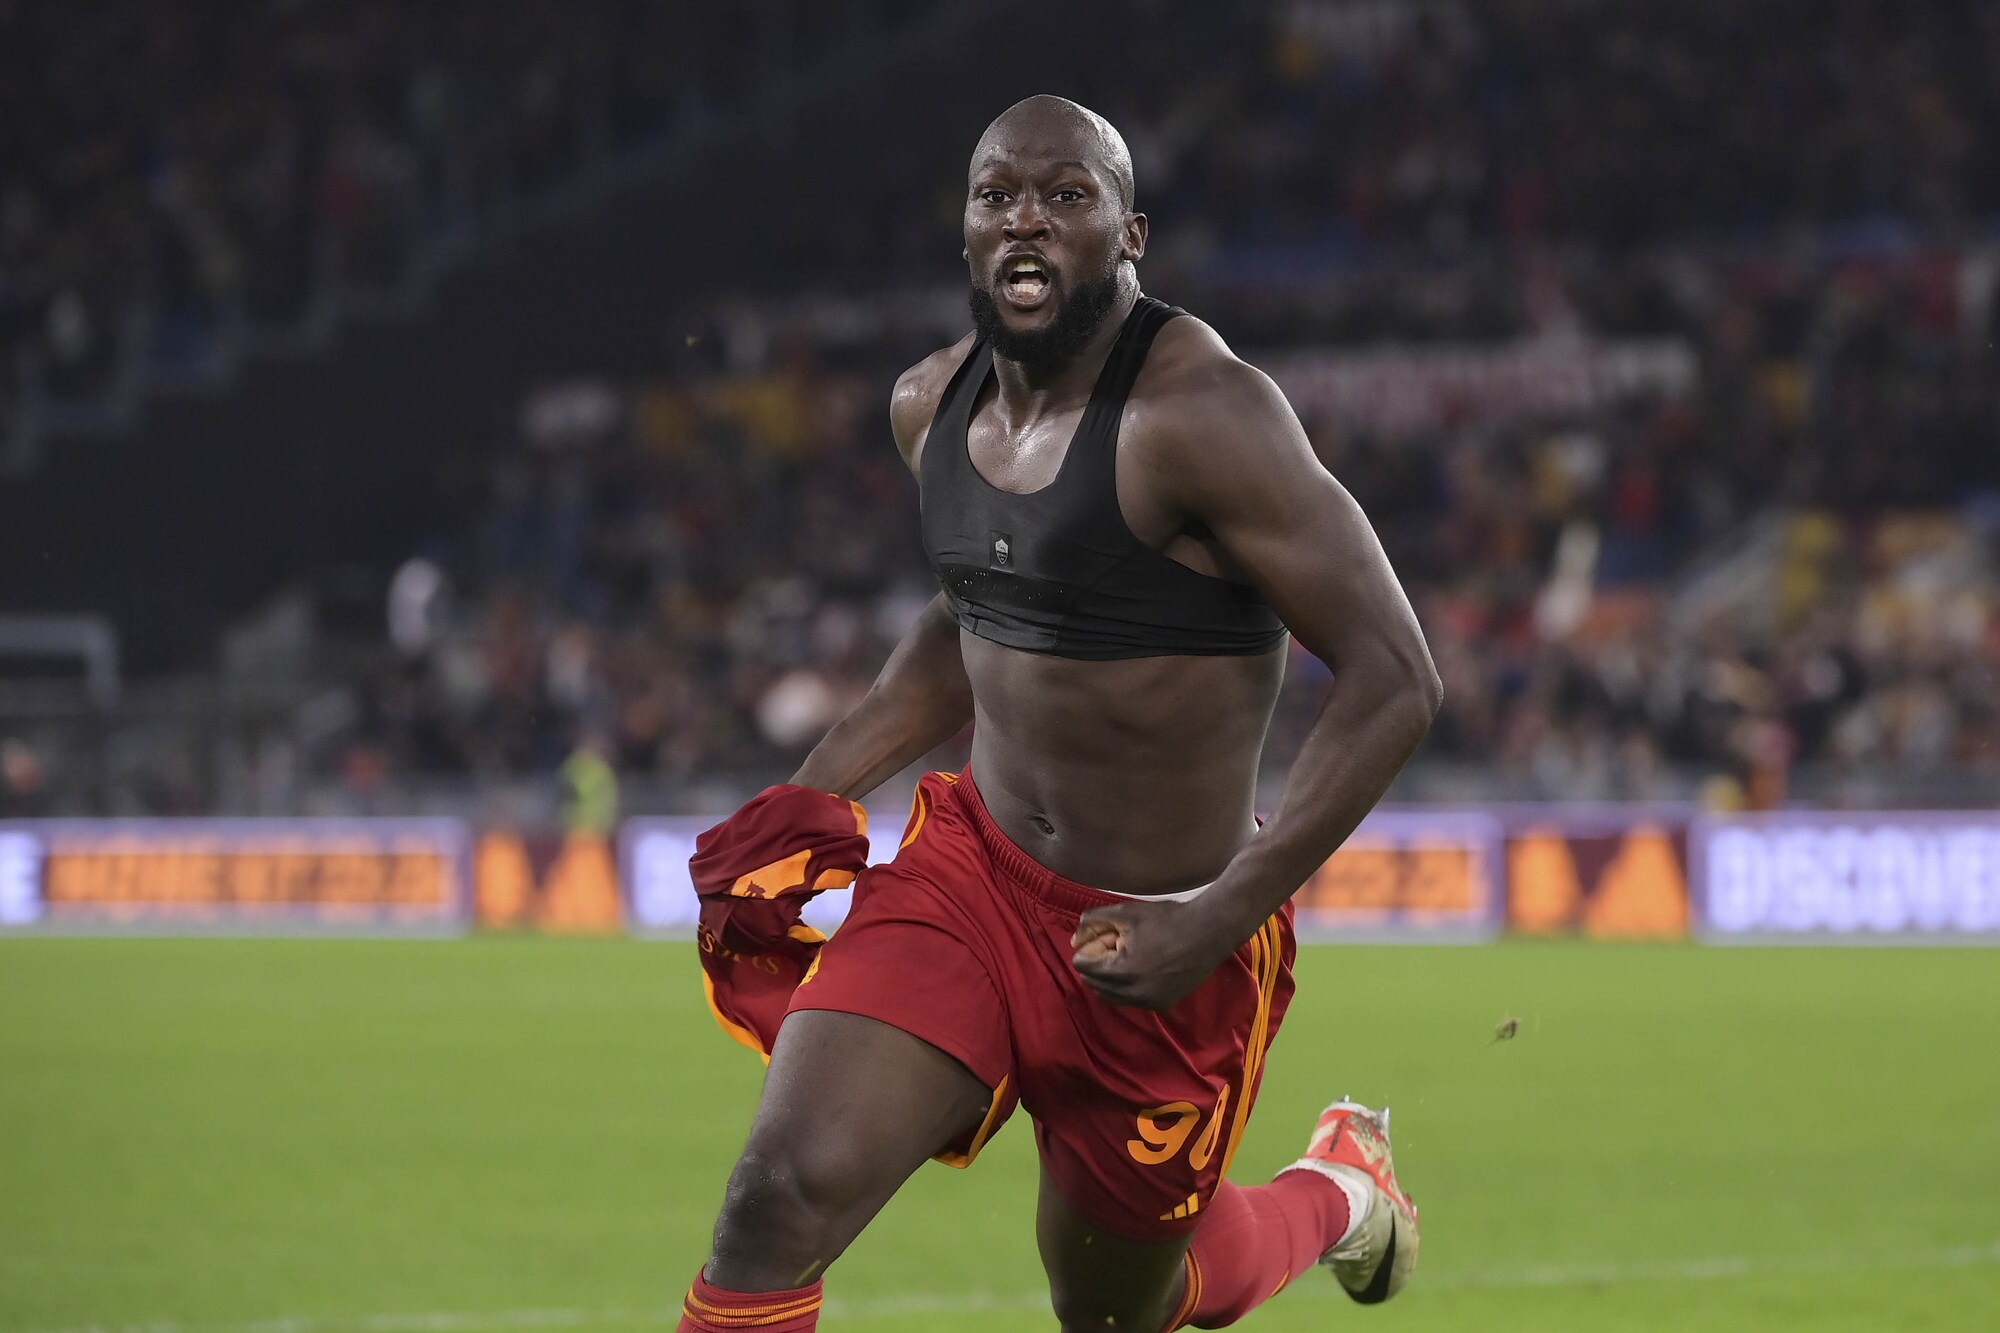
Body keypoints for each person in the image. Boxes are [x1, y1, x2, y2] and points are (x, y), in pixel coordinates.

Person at [676, 95, 1442, 1333]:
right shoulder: (929, 405)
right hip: (973, 879)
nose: (1024, 219)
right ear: (966, 231)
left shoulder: (1205, 415)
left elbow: (1395, 674)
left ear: (1127, 234)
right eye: (997, 196)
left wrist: (1217, 916)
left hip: (1163, 927)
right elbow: (974, 620)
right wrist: (810, 794)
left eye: (1065, 195)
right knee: (775, 1196)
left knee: (1120, 1306)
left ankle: (1340, 1191)